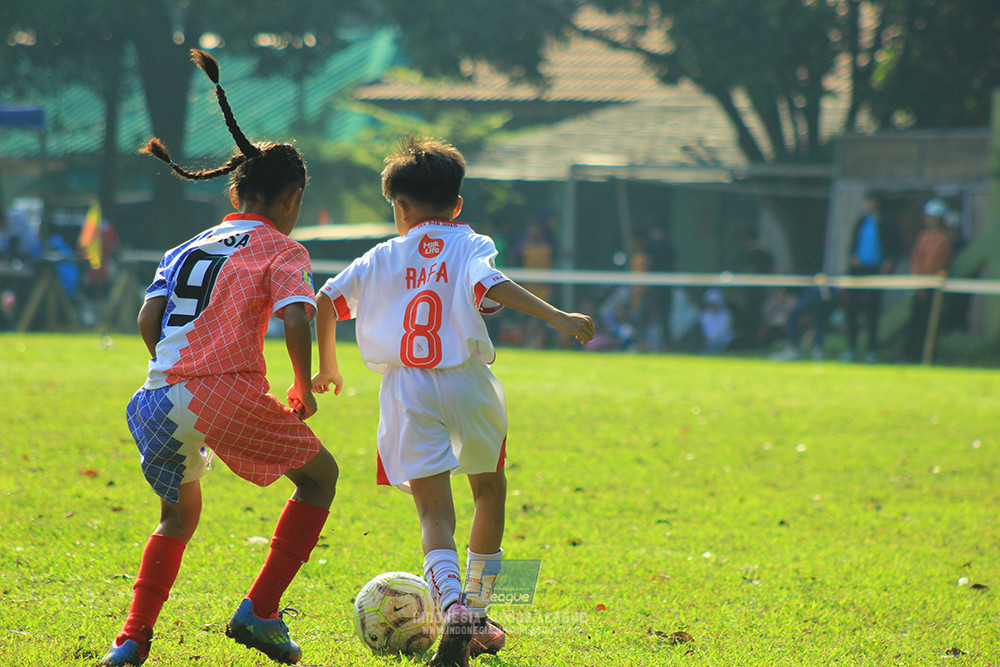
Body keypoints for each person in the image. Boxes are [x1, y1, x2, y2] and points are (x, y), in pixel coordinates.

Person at [310, 135, 594, 667]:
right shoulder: (470, 243)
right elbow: (492, 284)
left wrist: (328, 367)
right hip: (467, 381)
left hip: (408, 389)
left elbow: (325, 300)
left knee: (433, 512)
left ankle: (453, 607)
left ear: (399, 207)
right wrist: (557, 315)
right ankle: (476, 616)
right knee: (489, 491)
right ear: (457, 205)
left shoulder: (381, 256)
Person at [100, 50, 338, 667]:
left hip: (154, 400)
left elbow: (148, 320)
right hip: (223, 390)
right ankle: (261, 612)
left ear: (234, 192)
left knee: (175, 519)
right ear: (293, 197)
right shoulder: (282, 247)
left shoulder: (185, 247)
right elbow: (295, 315)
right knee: (320, 478)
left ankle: (131, 639)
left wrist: (176, 374)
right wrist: (302, 383)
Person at [841, 192, 902, 363]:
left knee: (872, 311)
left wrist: (889, 262)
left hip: (877, 271)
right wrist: (853, 257)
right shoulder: (862, 221)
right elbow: (853, 244)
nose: (866, 204)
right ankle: (851, 348)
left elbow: (897, 248)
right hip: (858, 270)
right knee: (852, 309)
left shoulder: (888, 222)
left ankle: (871, 350)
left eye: (869, 201)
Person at [904, 198, 953, 362]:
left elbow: (938, 262)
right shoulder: (923, 237)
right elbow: (916, 259)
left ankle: (928, 355)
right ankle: (912, 354)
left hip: (932, 287)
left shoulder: (943, 239)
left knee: (930, 323)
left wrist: (929, 281)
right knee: (916, 321)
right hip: (919, 285)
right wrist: (917, 280)